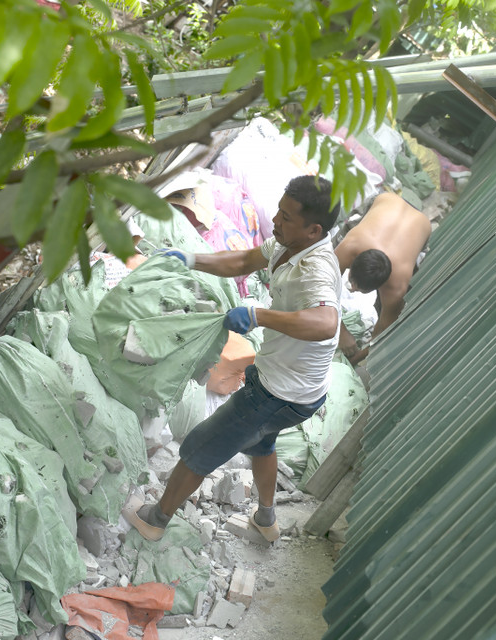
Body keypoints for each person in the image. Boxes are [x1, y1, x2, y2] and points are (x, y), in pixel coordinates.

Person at [124, 175, 342, 543]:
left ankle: (155, 520)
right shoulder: (289, 243)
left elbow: (325, 323)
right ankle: (267, 518)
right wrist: (191, 259)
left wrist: (258, 315)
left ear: (314, 229)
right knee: (262, 443)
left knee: (198, 448)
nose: (275, 219)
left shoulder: (315, 269)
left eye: (287, 216)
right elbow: (243, 259)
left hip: (281, 393)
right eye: (279, 209)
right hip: (291, 383)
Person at [334, 192, 431, 364]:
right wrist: (341, 332)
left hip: (420, 226)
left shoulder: (397, 287)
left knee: (392, 310)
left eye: (357, 288)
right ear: (353, 261)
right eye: (352, 281)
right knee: (328, 256)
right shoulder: (351, 245)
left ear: (381, 287)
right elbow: (320, 285)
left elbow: (382, 331)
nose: (351, 289)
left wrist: (352, 360)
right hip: (385, 201)